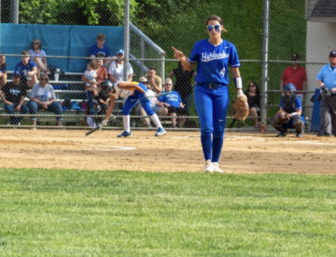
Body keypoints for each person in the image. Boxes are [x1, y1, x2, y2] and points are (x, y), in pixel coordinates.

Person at [171, 15, 243, 173]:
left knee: (219, 127)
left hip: (221, 91)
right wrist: (182, 58)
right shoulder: (200, 46)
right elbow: (190, 67)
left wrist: (239, 91)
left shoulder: (229, 48)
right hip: (203, 89)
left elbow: (235, 71)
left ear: (222, 28)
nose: (213, 30)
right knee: (206, 127)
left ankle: (216, 163)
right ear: (207, 30)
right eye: (210, 27)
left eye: (216, 27)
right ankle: (208, 162)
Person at [100, 79, 167, 138]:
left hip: (140, 88)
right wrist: (105, 120)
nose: (108, 92)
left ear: (111, 87)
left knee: (147, 109)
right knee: (125, 110)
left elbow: (134, 86)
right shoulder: (113, 95)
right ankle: (127, 131)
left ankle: (160, 128)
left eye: (108, 90)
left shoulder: (119, 85)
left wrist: (145, 93)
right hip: (133, 94)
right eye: (106, 91)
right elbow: (110, 109)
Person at [316, 50, 336, 137]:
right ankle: (325, 131)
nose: (332, 58)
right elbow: (318, 78)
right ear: (329, 58)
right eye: (331, 57)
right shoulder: (325, 68)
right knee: (324, 112)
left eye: (334, 57)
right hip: (326, 94)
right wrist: (321, 85)